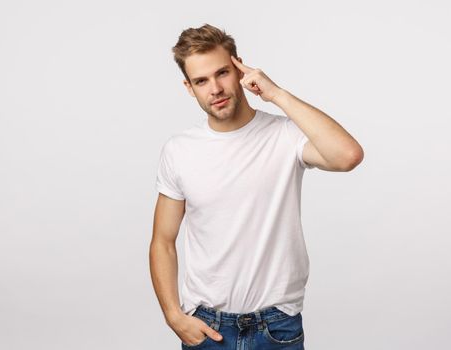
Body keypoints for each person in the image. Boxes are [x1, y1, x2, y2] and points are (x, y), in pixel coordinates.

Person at [149, 23, 364, 349]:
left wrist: (276, 94)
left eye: (222, 73)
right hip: (208, 327)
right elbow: (163, 240)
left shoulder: (286, 136)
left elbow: (348, 155)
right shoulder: (179, 151)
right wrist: (173, 315)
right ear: (189, 88)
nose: (215, 88)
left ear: (240, 69)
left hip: (276, 327)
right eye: (201, 81)